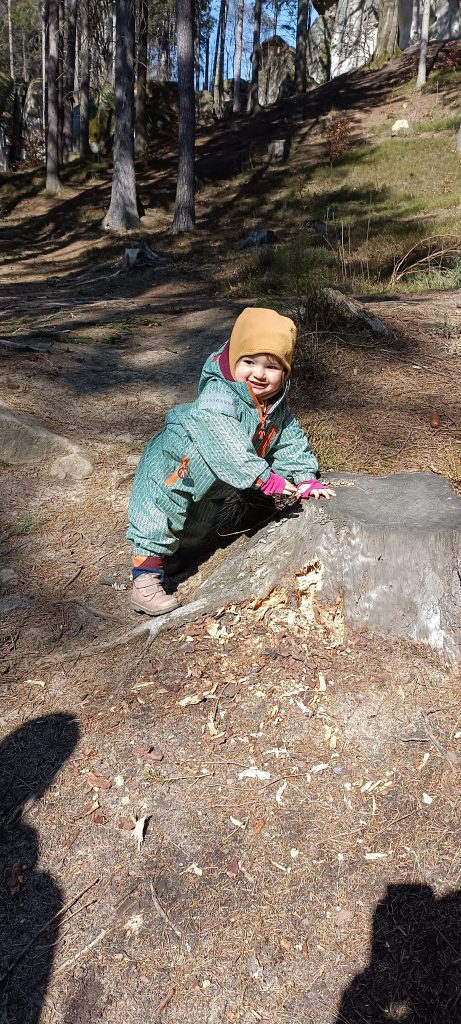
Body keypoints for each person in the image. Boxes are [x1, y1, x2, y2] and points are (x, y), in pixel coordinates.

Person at [127, 307, 335, 615]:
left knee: (196, 524)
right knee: (158, 519)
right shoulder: (218, 396)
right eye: (249, 362)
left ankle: (174, 558)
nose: (259, 374)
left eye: (272, 366)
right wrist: (265, 478)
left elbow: (289, 440)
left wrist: (304, 476)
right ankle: (144, 582)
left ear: (285, 372)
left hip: (213, 481)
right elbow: (227, 444)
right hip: (174, 466)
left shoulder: (274, 407)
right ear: (232, 359)